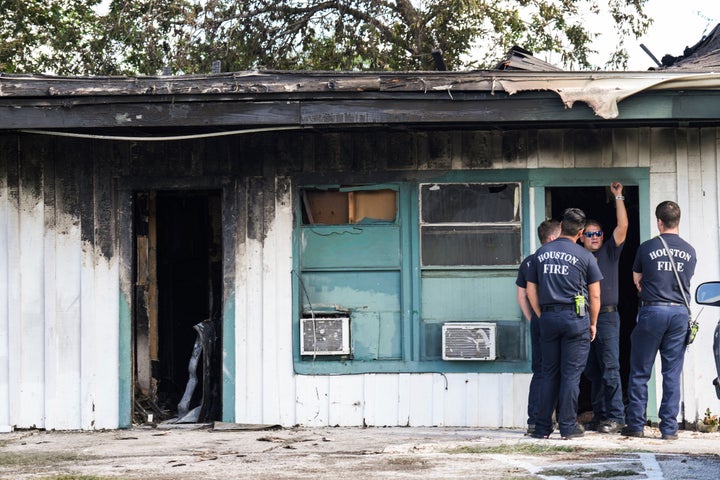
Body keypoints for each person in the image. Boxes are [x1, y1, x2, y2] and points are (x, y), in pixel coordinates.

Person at [622, 201, 697, 440]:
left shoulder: (647, 248)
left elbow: (637, 279)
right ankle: (669, 429)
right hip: (678, 314)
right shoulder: (690, 250)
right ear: (678, 221)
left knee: (640, 371)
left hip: (652, 311)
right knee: (672, 373)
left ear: (659, 222)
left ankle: (635, 425)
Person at [526, 208, 603, 440]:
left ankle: (541, 428)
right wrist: (593, 323)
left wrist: (541, 314)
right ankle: (568, 427)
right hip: (575, 319)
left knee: (548, 373)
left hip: (548, 318)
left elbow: (531, 289)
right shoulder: (585, 256)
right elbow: (595, 296)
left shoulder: (540, 254)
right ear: (580, 232)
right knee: (571, 375)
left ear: (562, 227)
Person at [580, 182, 628, 434]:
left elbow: (623, 227)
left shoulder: (610, 250)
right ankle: (600, 416)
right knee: (592, 370)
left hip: (608, 317)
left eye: (598, 233)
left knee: (610, 368)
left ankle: (617, 416)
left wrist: (618, 196)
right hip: (584, 319)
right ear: (581, 237)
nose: (595, 237)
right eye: (590, 234)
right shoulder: (578, 256)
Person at [516, 219, 561, 435]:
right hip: (556, 318)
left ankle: (534, 419)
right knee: (560, 369)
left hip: (539, 320)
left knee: (541, 371)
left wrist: (533, 317)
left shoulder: (528, 262)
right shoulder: (556, 259)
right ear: (552, 238)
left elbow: (521, 295)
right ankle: (558, 419)